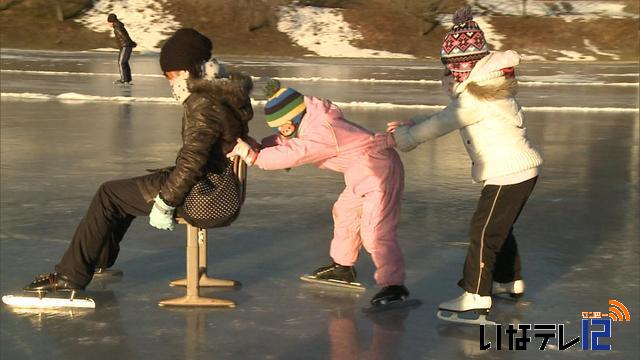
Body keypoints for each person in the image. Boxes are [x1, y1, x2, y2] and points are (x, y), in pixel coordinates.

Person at [24, 28, 254, 293]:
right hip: (217, 186)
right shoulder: (221, 93)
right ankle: (95, 259)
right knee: (120, 196)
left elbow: (193, 160)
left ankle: (70, 275)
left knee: (109, 195)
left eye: (170, 74)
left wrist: (166, 202)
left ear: (187, 70)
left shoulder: (202, 102)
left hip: (204, 195)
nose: (168, 81)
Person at [387, 6, 543, 323]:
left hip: (508, 174)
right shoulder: (489, 88)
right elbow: (449, 115)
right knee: (498, 230)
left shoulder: (476, 99)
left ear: (464, 67)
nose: (447, 77)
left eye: (450, 70)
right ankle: (507, 281)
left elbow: (443, 123)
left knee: (483, 233)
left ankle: (475, 296)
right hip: (517, 172)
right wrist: (412, 123)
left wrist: (404, 137)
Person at [228, 79, 410, 307]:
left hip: (379, 172)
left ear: (294, 117)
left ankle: (394, 285)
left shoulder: (323, 131)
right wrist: (261, 146)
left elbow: (296, 151)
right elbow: (288, 142)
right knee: (344, 212)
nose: (282, 131)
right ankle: (343, 267)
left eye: (284, 126)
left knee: (376, 229)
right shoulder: (311, 122)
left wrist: (256, 157)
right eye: (279, 128)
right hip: (362, 174)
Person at [107, 13, 137, 85]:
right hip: (126, 46)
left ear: (111, 21)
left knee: (121, 62)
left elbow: (124, 37)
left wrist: (130, 43)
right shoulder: (119, 26)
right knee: (124, 62)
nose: (108, 24)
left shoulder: (117, 28)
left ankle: (124, 80)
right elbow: (125, 36)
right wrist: (131, 43)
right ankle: (127, 79)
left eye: (108, 22)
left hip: (125, 46)